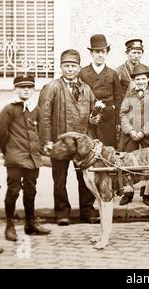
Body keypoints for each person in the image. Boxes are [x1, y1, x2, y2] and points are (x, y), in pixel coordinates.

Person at [38, 49, 100, 225]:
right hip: (61, 142)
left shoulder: (87, 89)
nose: (70, 69)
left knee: (85, 177)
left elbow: (93, 115)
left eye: (73, 66)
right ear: (60, 67)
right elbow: (44, 117)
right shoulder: (51, 88)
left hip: (82, 143)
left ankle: (87, 211)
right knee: (60, 178)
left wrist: (95, 118)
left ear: (79, 68)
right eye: (66, 66)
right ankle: (62, 213)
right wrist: (47, 141)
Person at [0, 75, 51, 241]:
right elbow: (1, 134)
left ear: (33, 89)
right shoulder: (9, 109)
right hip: (15, 158)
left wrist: (42, 149)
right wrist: (9, 153)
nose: (26, 89)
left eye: (29, 87)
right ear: (16, 89)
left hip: (33, 158)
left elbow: (41, 131)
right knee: (13, 191)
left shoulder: (35, 109)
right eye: (22, 87)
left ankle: (30, 224)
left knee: (30, 191)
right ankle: (10, 226)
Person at [118, 64, 149, 206]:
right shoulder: (130, 94)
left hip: (146, 134)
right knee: (128, 162)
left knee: (148, 164)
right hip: (130, 134)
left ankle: (146, 194)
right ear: (134, 81)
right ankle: (128, 193)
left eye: (143, 79)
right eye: (137, 79)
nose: (140, 82)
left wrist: (143, 132)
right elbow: (122, 113)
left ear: (148, 79)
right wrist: (130, 131)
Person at [79, 34, 122, 149]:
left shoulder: (113, 74)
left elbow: (118, 100)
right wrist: (88, 117)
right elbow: (78, 99)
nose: (100, 55)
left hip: (108, 119)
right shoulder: (82, 73)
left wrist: (118, 121)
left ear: (107, 53)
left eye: (103, 52)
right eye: (97, 52)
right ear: (91, 53)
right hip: (89, 118)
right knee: (89, 151)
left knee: (107, 151)